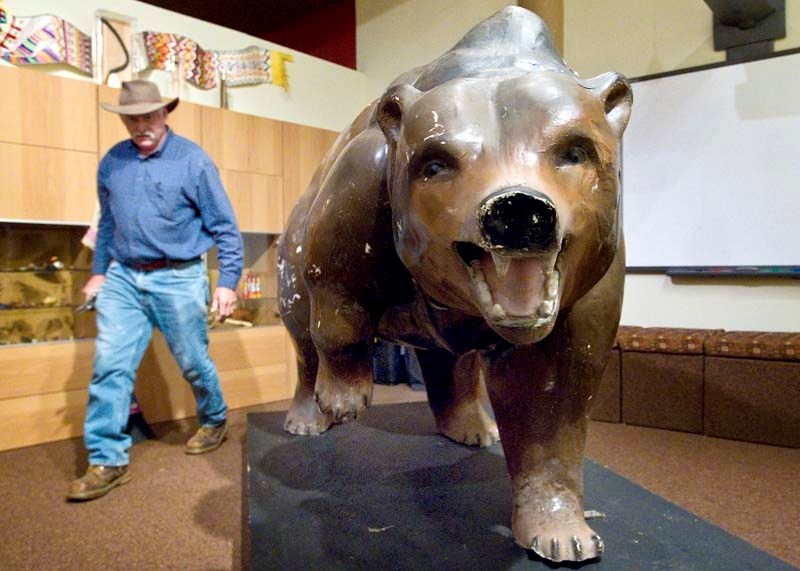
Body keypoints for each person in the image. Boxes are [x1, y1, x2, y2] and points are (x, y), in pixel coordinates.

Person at [67, 80, 244, 501]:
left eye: (149, 115)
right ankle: (107, 459)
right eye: (133, 117)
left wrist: (227, 282)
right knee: (109, 365)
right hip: (124, 277)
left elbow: (225, 226)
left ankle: (214, 417)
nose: (141, 124)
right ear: (124, 118)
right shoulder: (112, 163)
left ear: (165, 114)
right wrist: (98, 272)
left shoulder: (194, 162)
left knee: (193, 361)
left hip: (178, 276)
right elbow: (108, 225)